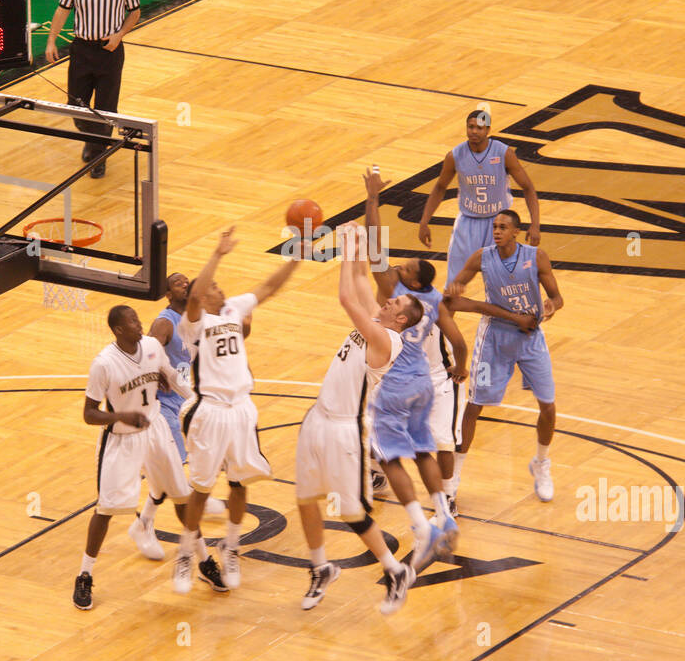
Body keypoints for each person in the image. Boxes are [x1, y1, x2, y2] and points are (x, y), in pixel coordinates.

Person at [296, 222, 418, 613]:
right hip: (317, 418)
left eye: (394, 306)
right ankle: (321, 568)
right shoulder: (378, 320)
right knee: (303, 498)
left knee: (351, 510)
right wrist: (361, 241)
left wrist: (346, 246)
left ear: (400, 321)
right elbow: (362, 281)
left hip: (345, 429)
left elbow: (347, 296)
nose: (387, 302)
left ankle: (395, 569)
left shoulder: (386, 339)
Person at [172, 226, 298, 592]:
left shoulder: (233, 309)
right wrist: (218, 253)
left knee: (239, 482)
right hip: (209, 410)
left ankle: (231, 545)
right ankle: (185, 552)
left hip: (241, 408)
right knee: (201, 487)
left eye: (218, 285)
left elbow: (269, 287)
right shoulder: (193, 323)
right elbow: (195, 294)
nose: (219, 289)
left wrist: (296, 258)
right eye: (213, 286)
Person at [72, 304, 203, 610]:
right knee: (105, 509)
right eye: (131, 321)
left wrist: (197, 403)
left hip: (155, 427)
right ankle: (84, 575)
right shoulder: (103, 364)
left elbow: (173, 377)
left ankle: (205, 561)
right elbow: (89, 414)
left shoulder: (153, 346)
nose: (138, 323)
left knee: (182, 497)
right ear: (118, 330)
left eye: (137, 317)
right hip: (122, 438)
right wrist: (122, 416)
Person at [363, 167, 469, 517]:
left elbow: (457, 340)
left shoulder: (434, 302)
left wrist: (461, 367)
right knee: (380, 432)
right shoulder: (393, 287)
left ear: (416, 282)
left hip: (436, 378)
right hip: (398, 375)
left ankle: (448, 496)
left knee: (442, 442)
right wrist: (373, 199)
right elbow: (374, 244)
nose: (396, 268)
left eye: (404, 268)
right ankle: (378, 474)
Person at [445, 208, 564, 503]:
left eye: (503, 227)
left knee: (548, 406)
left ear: (516, 232)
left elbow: (557, 298)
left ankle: (541, 463)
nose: (496, 231)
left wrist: (547, 310)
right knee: (474, 407)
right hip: (493, 342)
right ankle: (454, 476)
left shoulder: (536, 257)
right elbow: (454, 299)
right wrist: (510, 316)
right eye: (494, 226)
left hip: (530, 338)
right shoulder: (480, 258)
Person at [133, 269, 227, 555]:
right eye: (177, 282)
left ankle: (145, 523)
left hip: (187, 401)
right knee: (171, 468)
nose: (184, 283)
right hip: (162, 405)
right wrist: (157, 370)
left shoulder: (197, 320)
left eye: (186, 280)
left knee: (199, 453)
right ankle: (145, 524)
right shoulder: (165, 322)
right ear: (168, 294)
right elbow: (144, 353)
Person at [44, 0, 140, 178]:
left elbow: (135, 11)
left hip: (110, 51)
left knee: (106, 109)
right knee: (76, 106)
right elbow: (62, 10)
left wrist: (120, 34)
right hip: (82, 51)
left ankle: (98, 156)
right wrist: (51, 41)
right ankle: (92, 139)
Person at [418, 108, 542, 285]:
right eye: (470, 127)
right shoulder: (455, 155)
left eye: (479, 128)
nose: (474, 131)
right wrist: (424, 221)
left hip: (499, 223)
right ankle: (446, 313)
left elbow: (528, 187)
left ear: (488, 130)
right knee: (454, 284)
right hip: (468, 223)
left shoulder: (503, 153)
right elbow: (440, 187)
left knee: (505, 283)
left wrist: (535, 224)